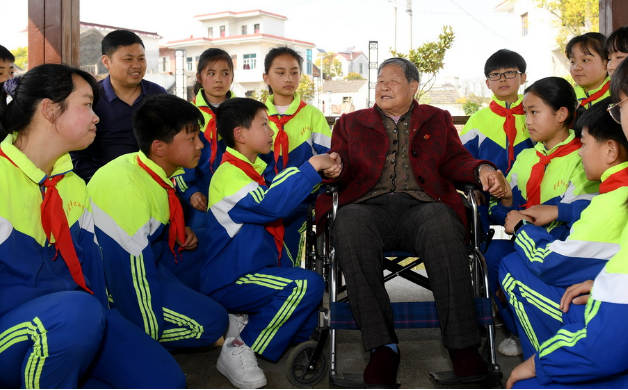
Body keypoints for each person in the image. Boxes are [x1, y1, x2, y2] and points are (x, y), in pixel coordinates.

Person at [0, 65, 185, 389]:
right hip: (3, 337)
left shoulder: (73, 185)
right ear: (49, 110)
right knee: (76, 314)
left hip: (74, 321)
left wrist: (100, 324)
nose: (97, 117)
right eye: (87, 105)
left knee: (165, 381)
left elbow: (91, 275)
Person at [314, 57, 506, 387]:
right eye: (380, 81)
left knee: (442, 221)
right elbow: (339, 165)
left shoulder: (437, 118)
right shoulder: (350, 122)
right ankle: (382, 348)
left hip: (423, 206)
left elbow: (456, 160)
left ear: (413, 87)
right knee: (348, 223)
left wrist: (481, 169)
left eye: (392, 80)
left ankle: (462, 347)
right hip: (367, 207)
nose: (383, 86)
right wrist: (335, 168)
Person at [507, 37, 628, 389]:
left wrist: (541, 364)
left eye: (620, 108)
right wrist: (609, 287)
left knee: (529, 382)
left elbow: (611, 343)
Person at [201, 97, 338, 389]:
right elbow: (271, 205)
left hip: (252, 273)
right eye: (264, 124)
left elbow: (280, 189)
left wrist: (318, 174)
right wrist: (313, 164)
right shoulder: (229, 176)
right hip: (230, 280)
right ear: (240, 134)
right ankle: (238, 347)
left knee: (305, 321)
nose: (272, 130)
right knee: (306, 285)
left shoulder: (250, 170)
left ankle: (248, 323)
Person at [499, 102, 628, 359]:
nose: (580, 153)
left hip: (615, 321)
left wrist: (521, 227)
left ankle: (545, 363)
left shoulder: (609, 205)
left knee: (512, 266)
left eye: (584, 144)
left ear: (611, 150)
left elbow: (550, 263)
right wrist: (560, 212)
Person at [89, 94, 228, 350]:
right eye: (191, 138)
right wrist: (147, 338)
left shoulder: (150, 168)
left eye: (198, 136)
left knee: (216, 240)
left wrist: (177, 229)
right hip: (116, 279)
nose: (200, 144)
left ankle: (183, 301)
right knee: (213, 323)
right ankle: (115, 337)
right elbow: (130, 276)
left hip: (151, 256)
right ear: (159, 147)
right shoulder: (127, 191)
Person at [487, 77, 599, 357]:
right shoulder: (526, 156)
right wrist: (506, 198)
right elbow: (501, 210)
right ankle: (516, 327)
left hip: (559, 242)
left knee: (520, 263)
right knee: (493, 255)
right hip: (522, 235)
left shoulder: (583, 156)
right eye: (525, 113)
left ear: (561, 114)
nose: (527, 121)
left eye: (534, 112)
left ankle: (549, 330)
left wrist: (524, 210)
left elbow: (574, 209)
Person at [261, 46, 332, 267]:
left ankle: (287, 275)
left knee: (290, 224)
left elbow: (328, 155)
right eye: (280, 72)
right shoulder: (257, 115)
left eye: (294, 72)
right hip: (264, 193)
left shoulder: (312, 115)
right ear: (266, 78)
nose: (288, 78)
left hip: (302, 196)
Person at [71, 29, 167, 182]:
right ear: (106, 62)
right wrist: (95, 180)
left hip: (154, 181)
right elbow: (76, 152)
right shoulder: (91, 98)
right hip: (103, 184)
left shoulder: (159, 95)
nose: (136, 65)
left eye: (141, 59)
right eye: (128, 59)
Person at [460, 49, 533, 240]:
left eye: (509, 72)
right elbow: (463, 159)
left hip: (529, 191)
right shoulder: (477, 121)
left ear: (523, 77)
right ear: (487, 83)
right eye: (495, 75)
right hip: (487, 193)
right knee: (473, 211)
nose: (502, 79)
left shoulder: (534, 114)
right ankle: (483, 251)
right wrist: (473, 188)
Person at [174, 48, 236, 232]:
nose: (218, 79)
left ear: (232, 77)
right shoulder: (187, 114)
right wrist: (190, 192)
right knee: (200, 239)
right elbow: (177, 160)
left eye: (225, 73)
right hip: (200, 197)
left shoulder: (243, 114)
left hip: (237, 195)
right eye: (211, 73)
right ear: (199, 77)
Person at [565, 32, 610, 110]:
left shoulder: (619, 95)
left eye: (585, 60)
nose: (577, 67)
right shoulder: (568, 98)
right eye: (572, 62)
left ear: (606, 64)